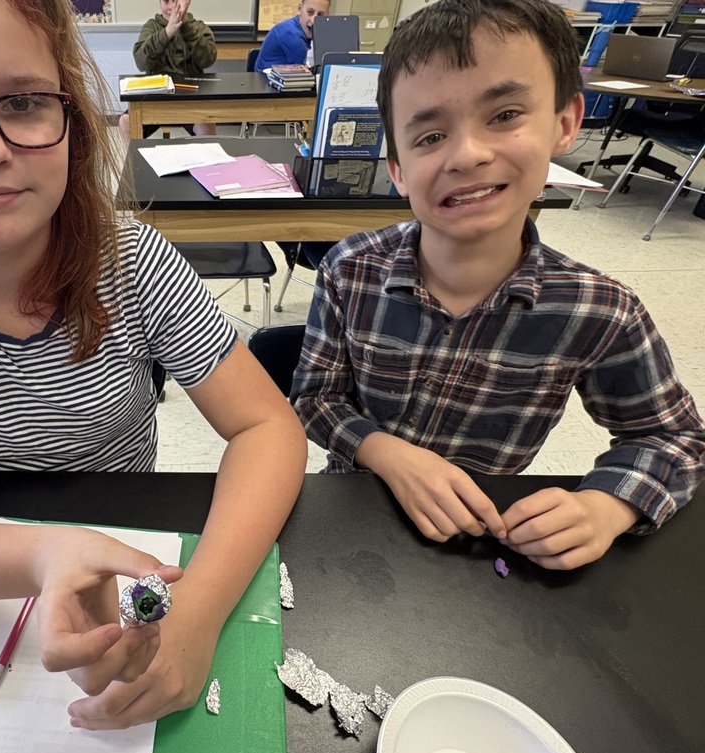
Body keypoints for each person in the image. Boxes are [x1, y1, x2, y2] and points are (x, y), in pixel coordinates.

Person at [0, 0, 306, 729]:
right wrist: (41, 554)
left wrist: (195, 615)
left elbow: (268, 427)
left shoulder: (130, 259)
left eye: (22, 101)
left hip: (128, 528)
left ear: (70, 115)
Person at [290, 0, 705, 571]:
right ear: (398, 169)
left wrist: (607, 505)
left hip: (486, 543)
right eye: (430, 136)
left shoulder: (599, 309)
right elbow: (315, 399)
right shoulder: (349, 269)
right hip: (353, 522)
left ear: (565, 123)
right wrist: (389, 455)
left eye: (505, 115)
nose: (468, 154)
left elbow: (675, 440)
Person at [130, 0, 217, 136]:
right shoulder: (151, 26)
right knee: (126, 121)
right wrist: (167, 33)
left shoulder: (198, 27)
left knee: (206, 124)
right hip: (157, 98)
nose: (171, 7)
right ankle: (133, 157)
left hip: (190, 98)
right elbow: (141, 62)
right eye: (166, 2)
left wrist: (186, 27)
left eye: (176, 2)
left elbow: (208, 59)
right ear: (160, 3)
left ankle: (206, 157)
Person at [254, 0, 330, 73]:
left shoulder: (304, 28)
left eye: (320, 15)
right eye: (310, 12)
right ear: (300, 9)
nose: (314, 20)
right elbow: (306, 72)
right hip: (266, 81)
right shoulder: (291, 34)